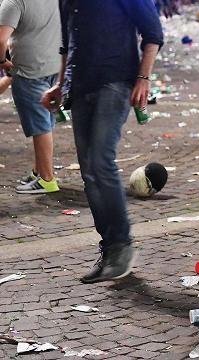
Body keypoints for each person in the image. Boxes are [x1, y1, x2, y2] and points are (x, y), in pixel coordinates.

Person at [42, 0, 164, 283]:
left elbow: (153, 33)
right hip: (81, 85)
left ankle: (122, 245)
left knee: (100, 160)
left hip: (116, 80)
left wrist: (143, 78)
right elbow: (68, 43)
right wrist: (62, 84)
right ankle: (110, 248)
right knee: (89, 171)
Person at [0, 0, 61, 194]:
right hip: (54, 66)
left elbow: (1, 40)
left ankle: (47, 179)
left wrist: (2, 61)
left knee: (40, 127)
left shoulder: (14, 2)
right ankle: (39, 171)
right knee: (46, 122)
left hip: (30, 71)